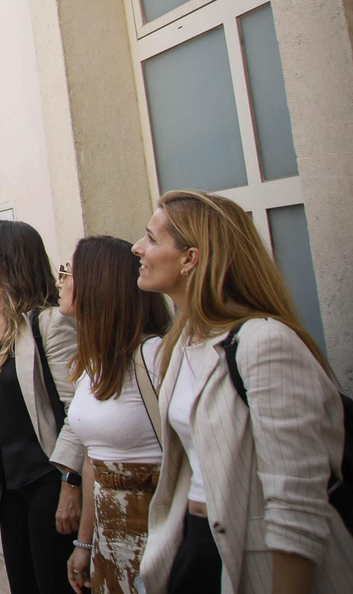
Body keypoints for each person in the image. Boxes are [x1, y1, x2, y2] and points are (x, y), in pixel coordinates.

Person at [133, 190, 352, 594]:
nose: (137, 247)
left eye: (151, 237)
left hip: (255, 561)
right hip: (193, 547)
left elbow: (296, 505)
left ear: (190, 258)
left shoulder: (265, 343)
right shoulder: (179, 345)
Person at [0, 217, 79, 594]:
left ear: (8, 261)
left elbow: (77, 412)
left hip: (48, 482)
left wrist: (71, 484)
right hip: (10, 488)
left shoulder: (50, 323)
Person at [46, 235, 169, 594]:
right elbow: (92, 460)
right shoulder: (93, 362)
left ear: (98, 283)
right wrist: (84, 544)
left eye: (67, 272)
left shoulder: (155, 357)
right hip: (108, 538)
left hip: (155, 530)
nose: (60, 282)